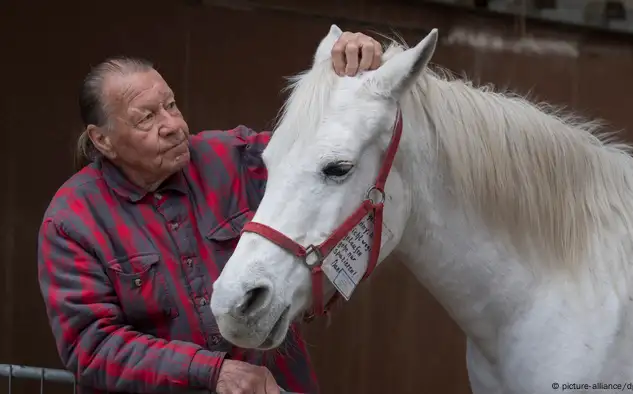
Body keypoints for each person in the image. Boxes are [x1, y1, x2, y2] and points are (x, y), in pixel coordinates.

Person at [37, 31, 384, 394]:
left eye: (171, 105)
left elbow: (323, 157)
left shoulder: (233, 157)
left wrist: (347, 67)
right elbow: (92, 347)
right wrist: (212, 373)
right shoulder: (72, 220)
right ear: (102, 140)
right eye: (147, 118)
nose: (172, 125)